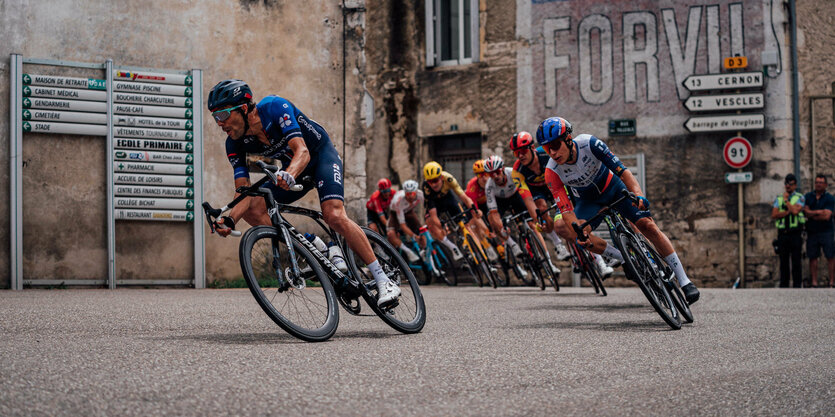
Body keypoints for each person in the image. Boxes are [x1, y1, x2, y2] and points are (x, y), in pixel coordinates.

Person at [207, 79, 400, 307]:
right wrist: (229, 219)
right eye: (215, 117)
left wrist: (289, 174)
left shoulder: (275, 108)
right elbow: (243, 191)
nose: (220, 124)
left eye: (222, 115)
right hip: (292, 171)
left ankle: (383, 279)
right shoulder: (234, 144)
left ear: (244, 107)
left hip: (320, 158)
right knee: (252, 208)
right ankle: (312, 243)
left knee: (334, 216)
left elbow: (303, 151)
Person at [538, 116, 700, 304]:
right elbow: (566, 211)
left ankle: (684, 280)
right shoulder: (552, 172)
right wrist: (578, 231)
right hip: (589, 201)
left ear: (568, 138)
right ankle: (624, 258)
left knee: (647, 225)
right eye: (547, 149)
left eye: (556, 145)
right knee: (579, 235)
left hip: (613, 188)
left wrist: (638, 195)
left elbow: (623, 172)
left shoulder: (589, 144)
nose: (553, 152)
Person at [510, 131, 583, 265]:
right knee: (541, 208)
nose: (520, 156)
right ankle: (558, 244)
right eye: (516, 153)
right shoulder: (517, 171)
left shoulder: (546, 154)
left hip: (555, 182)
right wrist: (539, 220)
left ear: (532, 148)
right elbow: (528, 200)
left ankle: (597, 257)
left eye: (523, 151)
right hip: (537, 190)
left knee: (570, 213)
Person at [483, 155, 561, 276]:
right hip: (501, 202)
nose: (495, 176)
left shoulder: (512, 173)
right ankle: (512, 245)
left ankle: (549, 263)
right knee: (492, 220)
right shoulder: (489, 186)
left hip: (516, 196)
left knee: (533, 226)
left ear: (502, 168)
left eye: (497, 172)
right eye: (490, 174)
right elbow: (494, 213)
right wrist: (501, 228)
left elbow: (527, 194)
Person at [422, 161, 484, 261]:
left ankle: (479, 253)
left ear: (441, 177)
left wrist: (474, 210)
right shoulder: (426, 187)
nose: (433, 184)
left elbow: (464, 197)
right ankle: (453, 248)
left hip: (448, 199)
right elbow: (433, 214)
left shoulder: (448, 178)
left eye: (436, 180)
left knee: (465, 225)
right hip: (434, 204)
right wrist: (440, 224)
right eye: (430, 182)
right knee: (431, 223)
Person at [772, 173, 805, 288]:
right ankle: (784, 285)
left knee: (796, 260)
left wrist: (787, 202)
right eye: (786, 184)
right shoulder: (779, 198)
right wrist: (786, 212)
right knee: (783, 261)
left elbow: (796, 211)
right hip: (783, 234)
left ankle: (797, 285)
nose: (788, 186)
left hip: (795, 233)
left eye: (790, 184)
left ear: (795, 185)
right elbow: (774, 214)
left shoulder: (800, 197)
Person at [803, 174, 835, 287]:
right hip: (812, 232)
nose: (818, 184)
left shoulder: (830, 198)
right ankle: (814, 282)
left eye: (821, 182)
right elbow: (805, 212)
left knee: (830, 256)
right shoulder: (808, 196)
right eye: (817, 182)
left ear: (825, 185)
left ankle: (832, 282)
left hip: (827, 231)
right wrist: (820, 212)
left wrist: (812, 213)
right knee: (813, 257)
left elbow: (827, 216)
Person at [386, 180, 424, 263]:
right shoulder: (399, 201)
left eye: (412, 194)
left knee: (422, 230)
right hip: (395, 212)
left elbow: (426, 209)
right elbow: (402, 225)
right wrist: (414, 236)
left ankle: (425, 251)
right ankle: (408, 252)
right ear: (404, 193)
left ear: (416, 192)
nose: (410, 197)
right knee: (391, 234)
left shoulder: (420, 194)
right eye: (407, 194)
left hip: (409, 210)